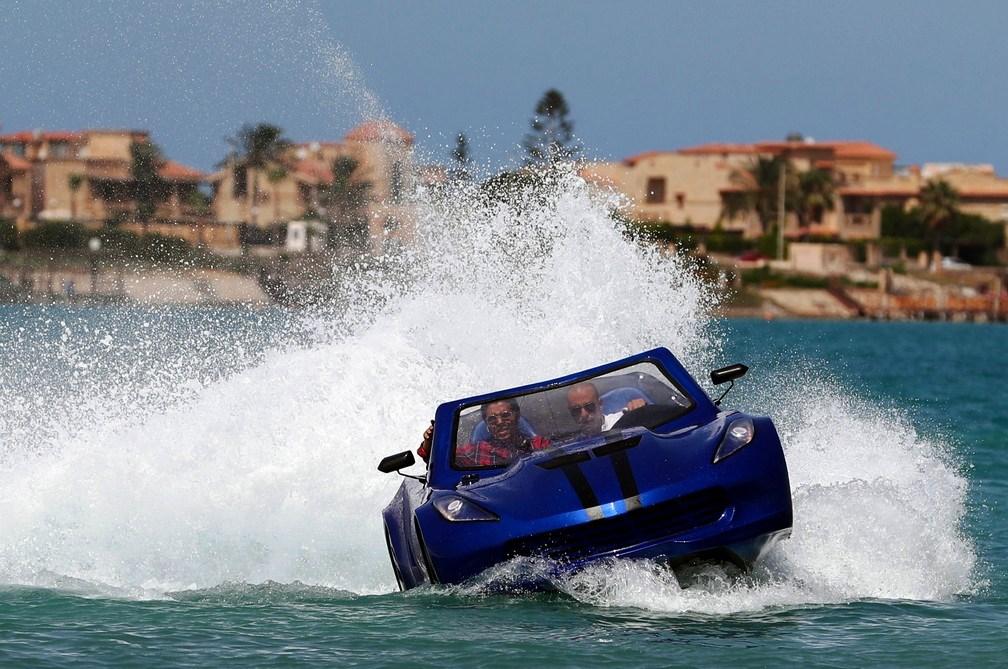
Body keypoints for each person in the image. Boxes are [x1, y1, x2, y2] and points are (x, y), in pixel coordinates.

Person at [417, 398, 550, 467]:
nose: (499, 422)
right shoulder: (477, 451)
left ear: (517, 415)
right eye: (492, 419)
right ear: (486, 424)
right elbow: (434, 459)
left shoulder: (538, 444)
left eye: (505, 415)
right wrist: (430, 439)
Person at [566, 382, 646, 436]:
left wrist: (641, 409)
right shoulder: (573, 446)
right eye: (576, 410)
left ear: (600, 405)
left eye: (589, 406)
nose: (584, 414)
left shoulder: (624, 418)